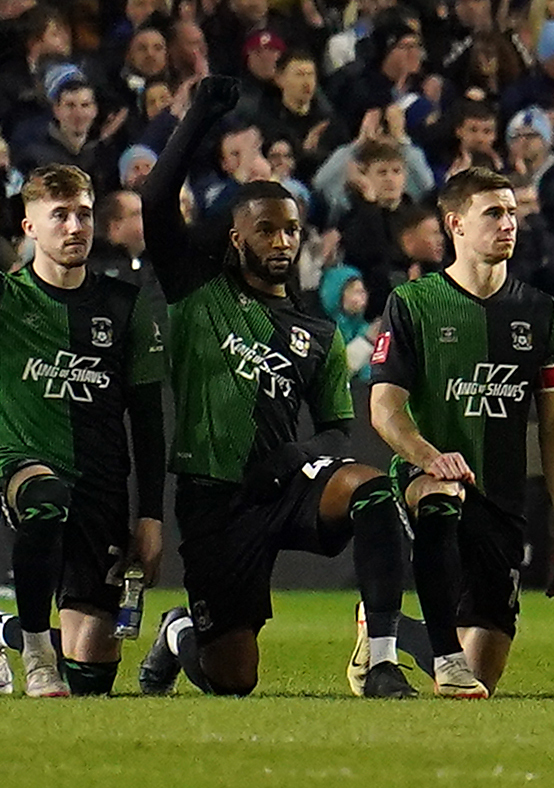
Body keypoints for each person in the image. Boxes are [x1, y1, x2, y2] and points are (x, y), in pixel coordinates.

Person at [142, 183, 422, 695]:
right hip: (216, 499)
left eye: (291, 230)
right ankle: (178, 629)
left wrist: (298, 455)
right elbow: (156, 204)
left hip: (286, 484)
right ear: (236, 238)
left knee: (373, 490)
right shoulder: (199, 295)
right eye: (265, 230)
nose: (281, 242)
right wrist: (205, 111)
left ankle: (380, 660)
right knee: (232, 681)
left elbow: (338, 427)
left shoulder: (318, 331)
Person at [0, 161, 161, 697]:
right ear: (29, 227)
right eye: (59, 215)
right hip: (24, 464)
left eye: (84, 215)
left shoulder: (124, 306)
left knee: (90, 678)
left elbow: (149, 418)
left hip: (101, 486)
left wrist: (151, 515)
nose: (74, 227)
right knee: (45, 497)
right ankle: (37, 655)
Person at [363, 161, 554, 696]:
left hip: (501, 500)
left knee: (483, 678)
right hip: (426, 478)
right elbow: (385, 408)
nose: (508, 224)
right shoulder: (413, 303)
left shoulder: (541, 313)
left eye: (512, 213)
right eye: (493, 213)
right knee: (442, 496)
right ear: (455, 225)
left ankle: (390, 632)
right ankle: (445, 658)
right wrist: (427, 455)